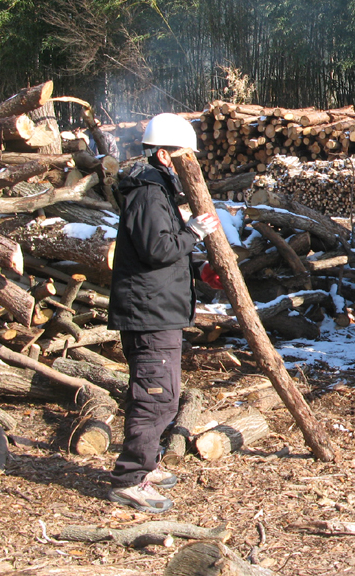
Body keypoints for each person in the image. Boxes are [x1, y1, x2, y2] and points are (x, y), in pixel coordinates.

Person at [107, 113, 220, 513]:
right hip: (148, 313)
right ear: (164, 155)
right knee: (156, 397)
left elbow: (162, 254)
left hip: (158, 309)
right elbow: (158, 249)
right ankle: (129, 478)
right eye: (183, 154)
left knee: (164, 395)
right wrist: (194, 233)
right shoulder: (148, 193)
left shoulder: (159, 192)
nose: (191, 163)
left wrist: (199, 272)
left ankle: (146, 463)